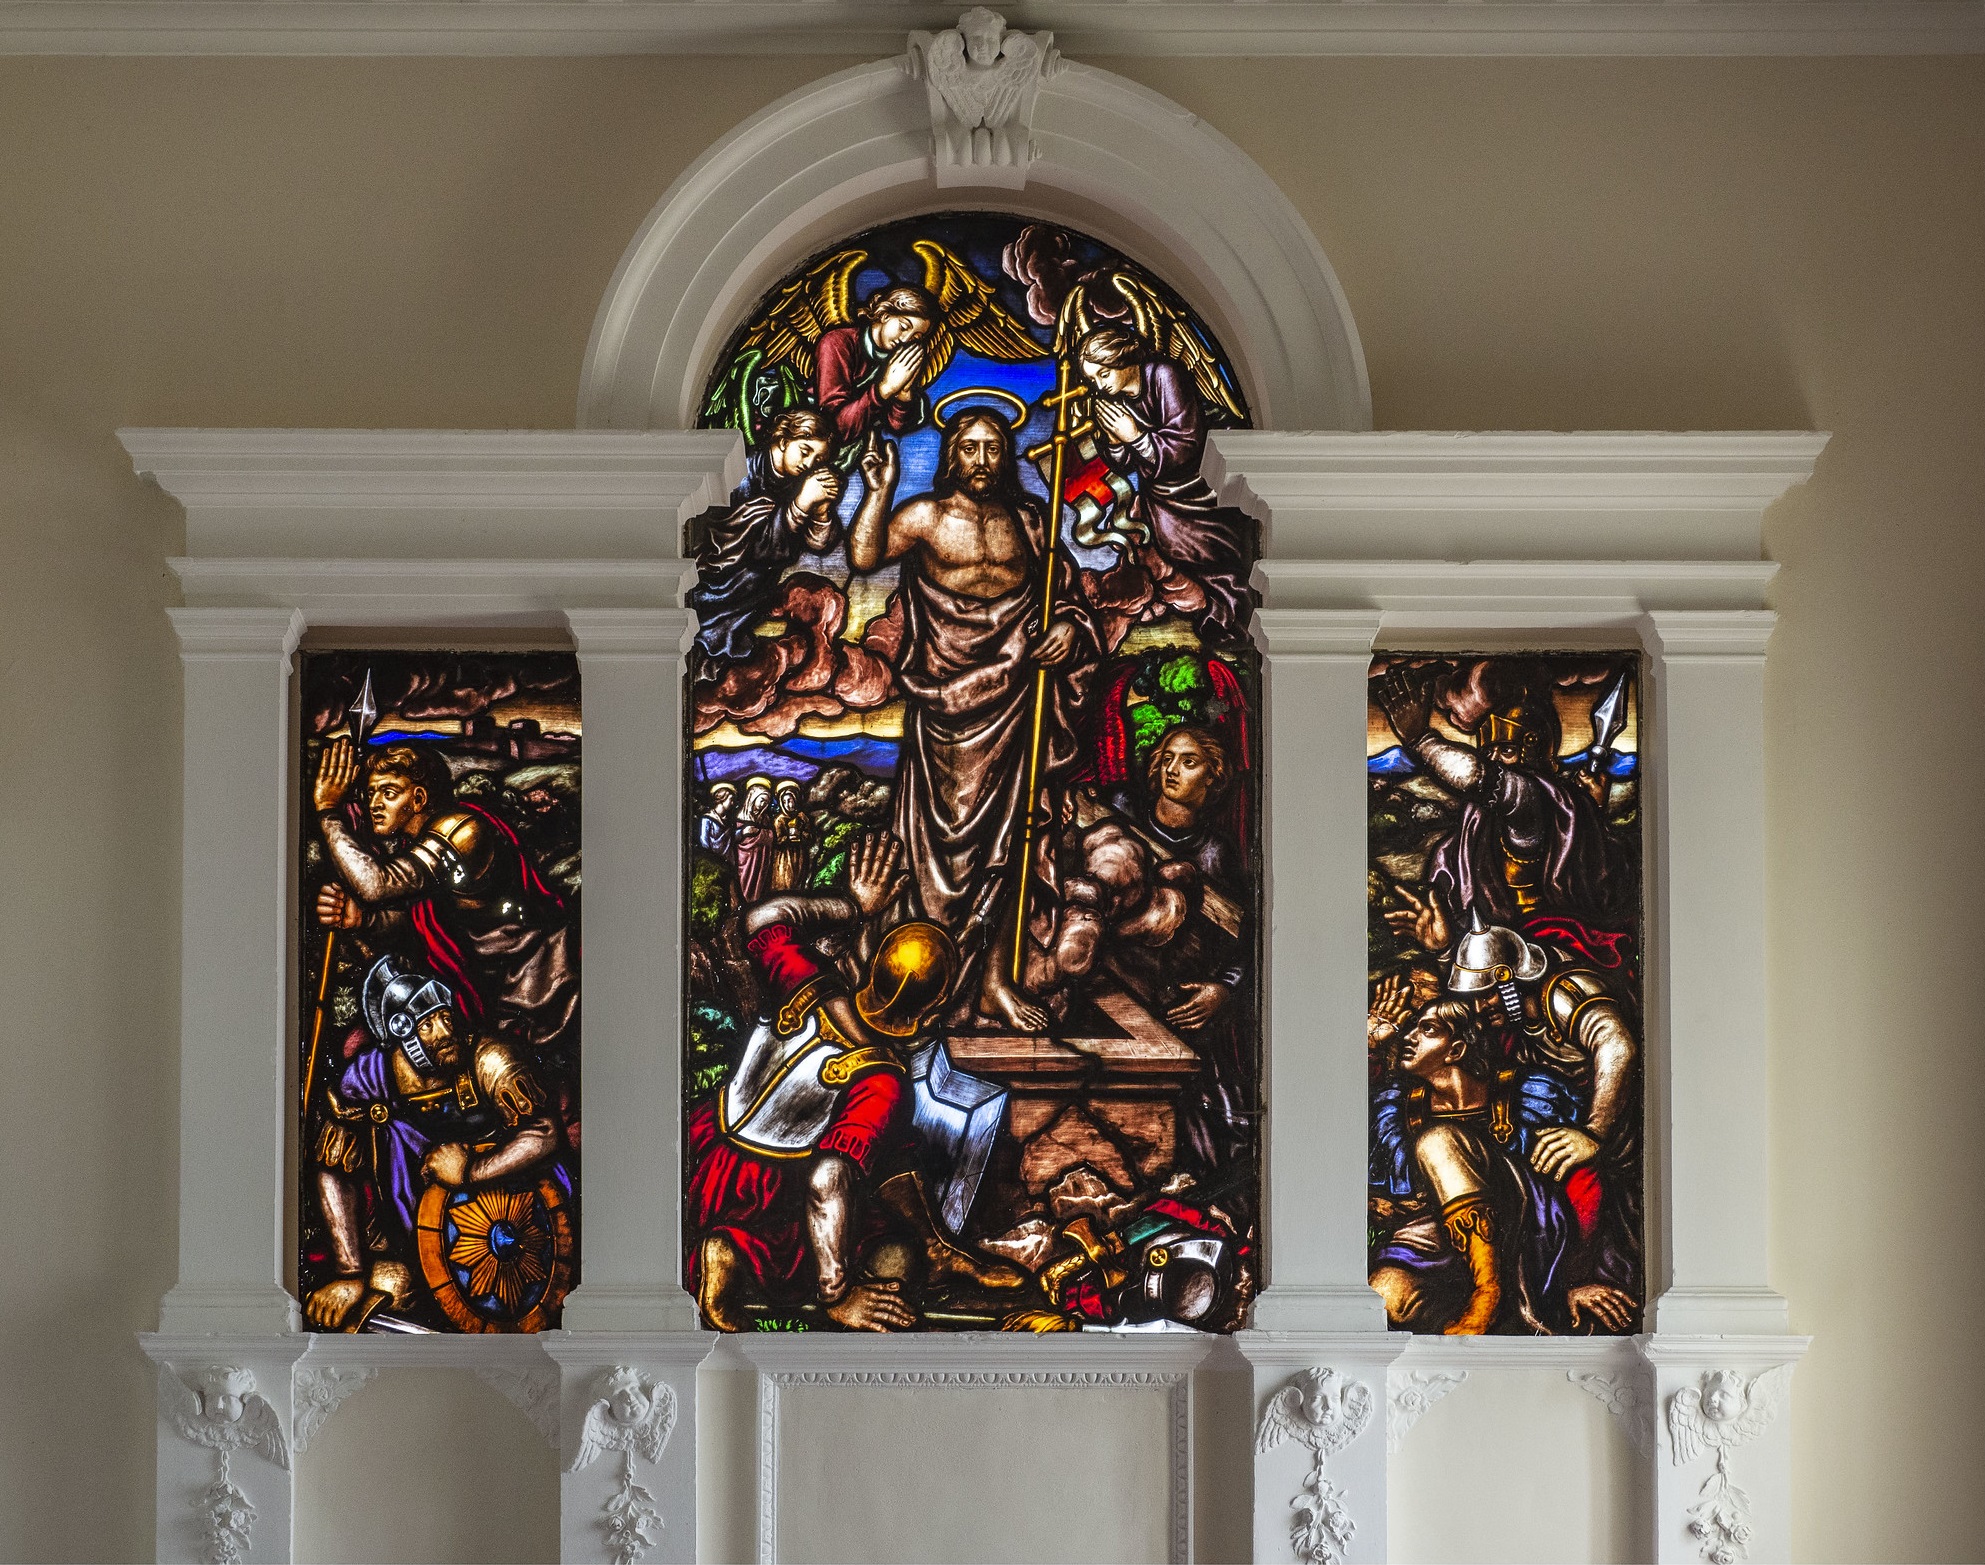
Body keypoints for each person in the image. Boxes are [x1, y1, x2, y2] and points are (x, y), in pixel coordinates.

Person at [688, 833, 1019, 1330]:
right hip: (767, 1191)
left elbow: (760, 919)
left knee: (891, 1146)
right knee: (889, 1252)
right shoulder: (881, 1078)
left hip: (707, 1149)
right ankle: (733, 1254)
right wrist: (838, 1292)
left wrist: (852, 906)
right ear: (931, 1014)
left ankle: (937, 1245)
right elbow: (827, 1179)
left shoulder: (805, 980)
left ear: (873, 965)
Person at [848, 411, 1101, 1029]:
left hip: (1016, 703)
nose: (983, 459)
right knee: (933, 851)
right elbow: (863, 556)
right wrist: (878, 491)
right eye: (970, 448)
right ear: (950, 456)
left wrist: (1068, 628)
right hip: (944, 714)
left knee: (1015, 842)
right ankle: (914, 970)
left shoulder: (1031, 523)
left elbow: (1066, 597)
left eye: (993, 448)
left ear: (1007, 455)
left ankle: (994, 982)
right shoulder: (925, 517)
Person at [305, 955, 567, 1330]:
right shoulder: (369, 1077)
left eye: (446, 1017)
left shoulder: (489, 1059)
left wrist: (471, 1171)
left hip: (514, 1228)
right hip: (412, 1236)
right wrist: (349, 1272)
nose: (445, 1031)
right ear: (402, 1034)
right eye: (427, 1025)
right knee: (385, 1292)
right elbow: (334, 1165)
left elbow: (543, 1133)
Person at [1442, 918, 1643, 1330]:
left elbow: (1617, 1045)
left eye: (1486, 995)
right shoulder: (1518, 1022)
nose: (1481, 1009)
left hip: (1614, 1148)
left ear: (1509, 979)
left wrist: (1593, 1133)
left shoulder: (1563, 993)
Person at [312, 738, 578, 1049]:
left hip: (543, 978)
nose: (375, 804)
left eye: (388, 793)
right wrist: (364, 920)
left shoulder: (462, 830)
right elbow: (421, 922)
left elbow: (376, 886)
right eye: (370, 794)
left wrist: (327, 811)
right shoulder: (415, 848)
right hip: (495, 986)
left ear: (419, 798)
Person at [1367, 1001, 1593, 1335]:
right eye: (1413, 1027)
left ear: (1456, 1050)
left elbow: (1587, 1181)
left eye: (1427, 1029)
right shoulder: (1396, 1110)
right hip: (1431, 1237)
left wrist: (1583, 1278)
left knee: (1437, 1140)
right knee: (1383, 1298)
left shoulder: (1527, 1093)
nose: (1410, 1037)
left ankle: (1489, 1290)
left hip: (1518, 1223)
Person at [1374, 672, 1613, 942]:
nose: (1495, 761)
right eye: (1489, 753)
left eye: (1507, 751)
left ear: (1533, 752)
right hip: (1498, 942)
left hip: (1544, 939)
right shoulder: (1488, 818)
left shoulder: (1534, 796)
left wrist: (1420, 739)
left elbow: (1474, 776)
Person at [1074, 323, 1253, 641]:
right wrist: (1115, 440)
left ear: (1122, 359)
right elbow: (1126, 463)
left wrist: (1135, 436)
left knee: (1197, 548)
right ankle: (1189, 601)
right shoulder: (1118, 400)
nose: (1099, 385)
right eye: (1093, 380)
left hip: (1198, 484)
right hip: (1159, 491)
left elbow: (1187, 443)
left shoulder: (1164, 375)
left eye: (1103, 374)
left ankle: (1227, 608)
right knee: (1153, 539)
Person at [688, 408, 843, 671]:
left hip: (753, 594)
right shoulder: (741, 475)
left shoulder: (799, 482)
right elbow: (759, 551)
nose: (809, 464)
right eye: (805, 451)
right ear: (783, 441)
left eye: (818, 460)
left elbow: (820, 545)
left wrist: (821, 511)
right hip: (718, 585)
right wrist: (800, 505)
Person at [814, 285, 937, 456]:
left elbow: (896, 426)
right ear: (885, 315)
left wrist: (903, 394)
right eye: (903, 327)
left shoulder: (900, 361)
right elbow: (835, 428)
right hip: (813, 446)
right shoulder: (837, 343)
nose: (905, 340)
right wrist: (884, 389)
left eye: (916, 337)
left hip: (865, 452)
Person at [732, 775, 777, 902]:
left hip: (760, 858)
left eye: (766, 802)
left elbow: (771, 836)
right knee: (744, 881)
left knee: (758, 883)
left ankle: (755, 903)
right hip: (744, 859)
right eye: (762, 800)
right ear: (752, 797)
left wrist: (759, 834)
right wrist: (744, 832)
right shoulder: (739, 816)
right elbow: (731, 838)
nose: (764, 805)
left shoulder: (765, 818)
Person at [769, 778, 814, 892]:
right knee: (784, 879)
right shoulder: (779, 820)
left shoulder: (802, 817)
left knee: (798, 878)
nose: (787, 805)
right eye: (784, 802)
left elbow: (809, 836)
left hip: (799, 854)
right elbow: (777, 840)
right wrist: (788, 838)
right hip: (784, 856)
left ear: (796, 799)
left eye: (790, 800)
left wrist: (801, 835)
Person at [697, 780, 739, 857]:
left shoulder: (728, 820)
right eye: (731, 799)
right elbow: (704, 843)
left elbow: (731, 838)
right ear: (722, 798)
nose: (732, 803)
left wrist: (742, 832)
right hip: (712, 860)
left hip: (728, 860)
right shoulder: (707, 819)